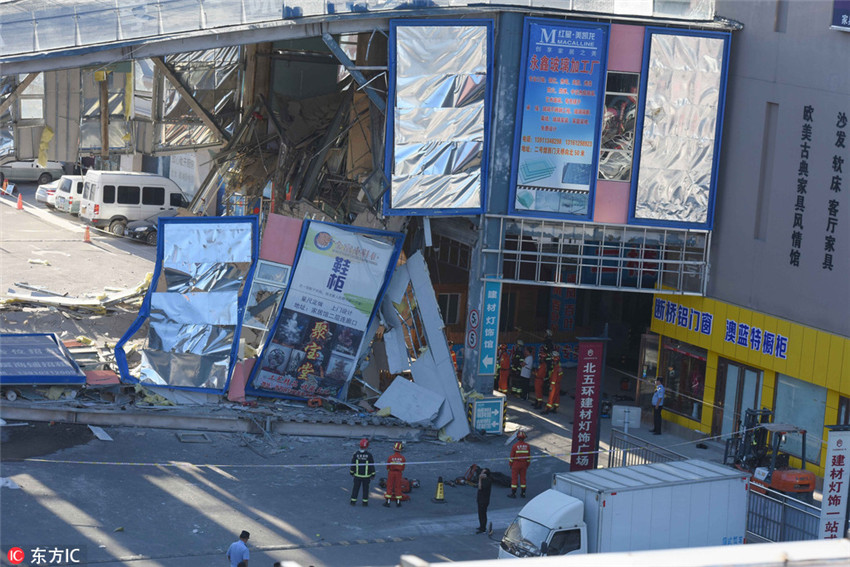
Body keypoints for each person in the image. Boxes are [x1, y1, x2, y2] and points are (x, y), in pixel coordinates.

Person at [350, 438, 375, 506]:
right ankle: (365, 502)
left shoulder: (355, 454)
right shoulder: (369, 455)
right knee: (365, 489)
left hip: (357, 476)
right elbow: (371, 465)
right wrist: (373, 474)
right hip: (366, 476)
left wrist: (352, 472)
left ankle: (353, 501)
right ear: (366, 446)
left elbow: (353, 464)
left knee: (355, 488)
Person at [508, 431, 531, 498]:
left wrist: (510, 464)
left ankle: (513, 494)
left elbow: (512, 457)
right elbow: (528, 457)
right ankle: (523, 493)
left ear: (517, 438)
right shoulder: (527, 446)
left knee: (514, 479)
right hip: (524, 464)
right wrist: (527, 464)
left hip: (516, 464)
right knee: (523, 478)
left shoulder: (515, 446)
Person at [384, 442, 406, 507]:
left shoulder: (391, 457)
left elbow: (387, 467)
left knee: (389, 485)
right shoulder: (403, 458)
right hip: (399, 473)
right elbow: (403, 467)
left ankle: (388, 501)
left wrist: (389, 471)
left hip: (391, 472)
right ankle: (398, 501)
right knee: (398, 486)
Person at [543, 350, 562, 414]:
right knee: (556, 397)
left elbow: (554, 377)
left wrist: (551, 385)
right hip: (558, 384)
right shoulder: (559, 367)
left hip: (554, 385)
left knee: (551, 397)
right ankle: (555, 408)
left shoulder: (556, 368)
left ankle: (546, 410)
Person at [476, 467, 492, 534]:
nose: (481, 474)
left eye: (482, 473)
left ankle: (483, 528)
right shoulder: (484, 479)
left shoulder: (487, 481)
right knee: (480, 513)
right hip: (480, 499)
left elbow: (480, 487)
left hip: (484, 500)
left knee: (483, 514)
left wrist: (480, 479)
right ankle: (481, 526)